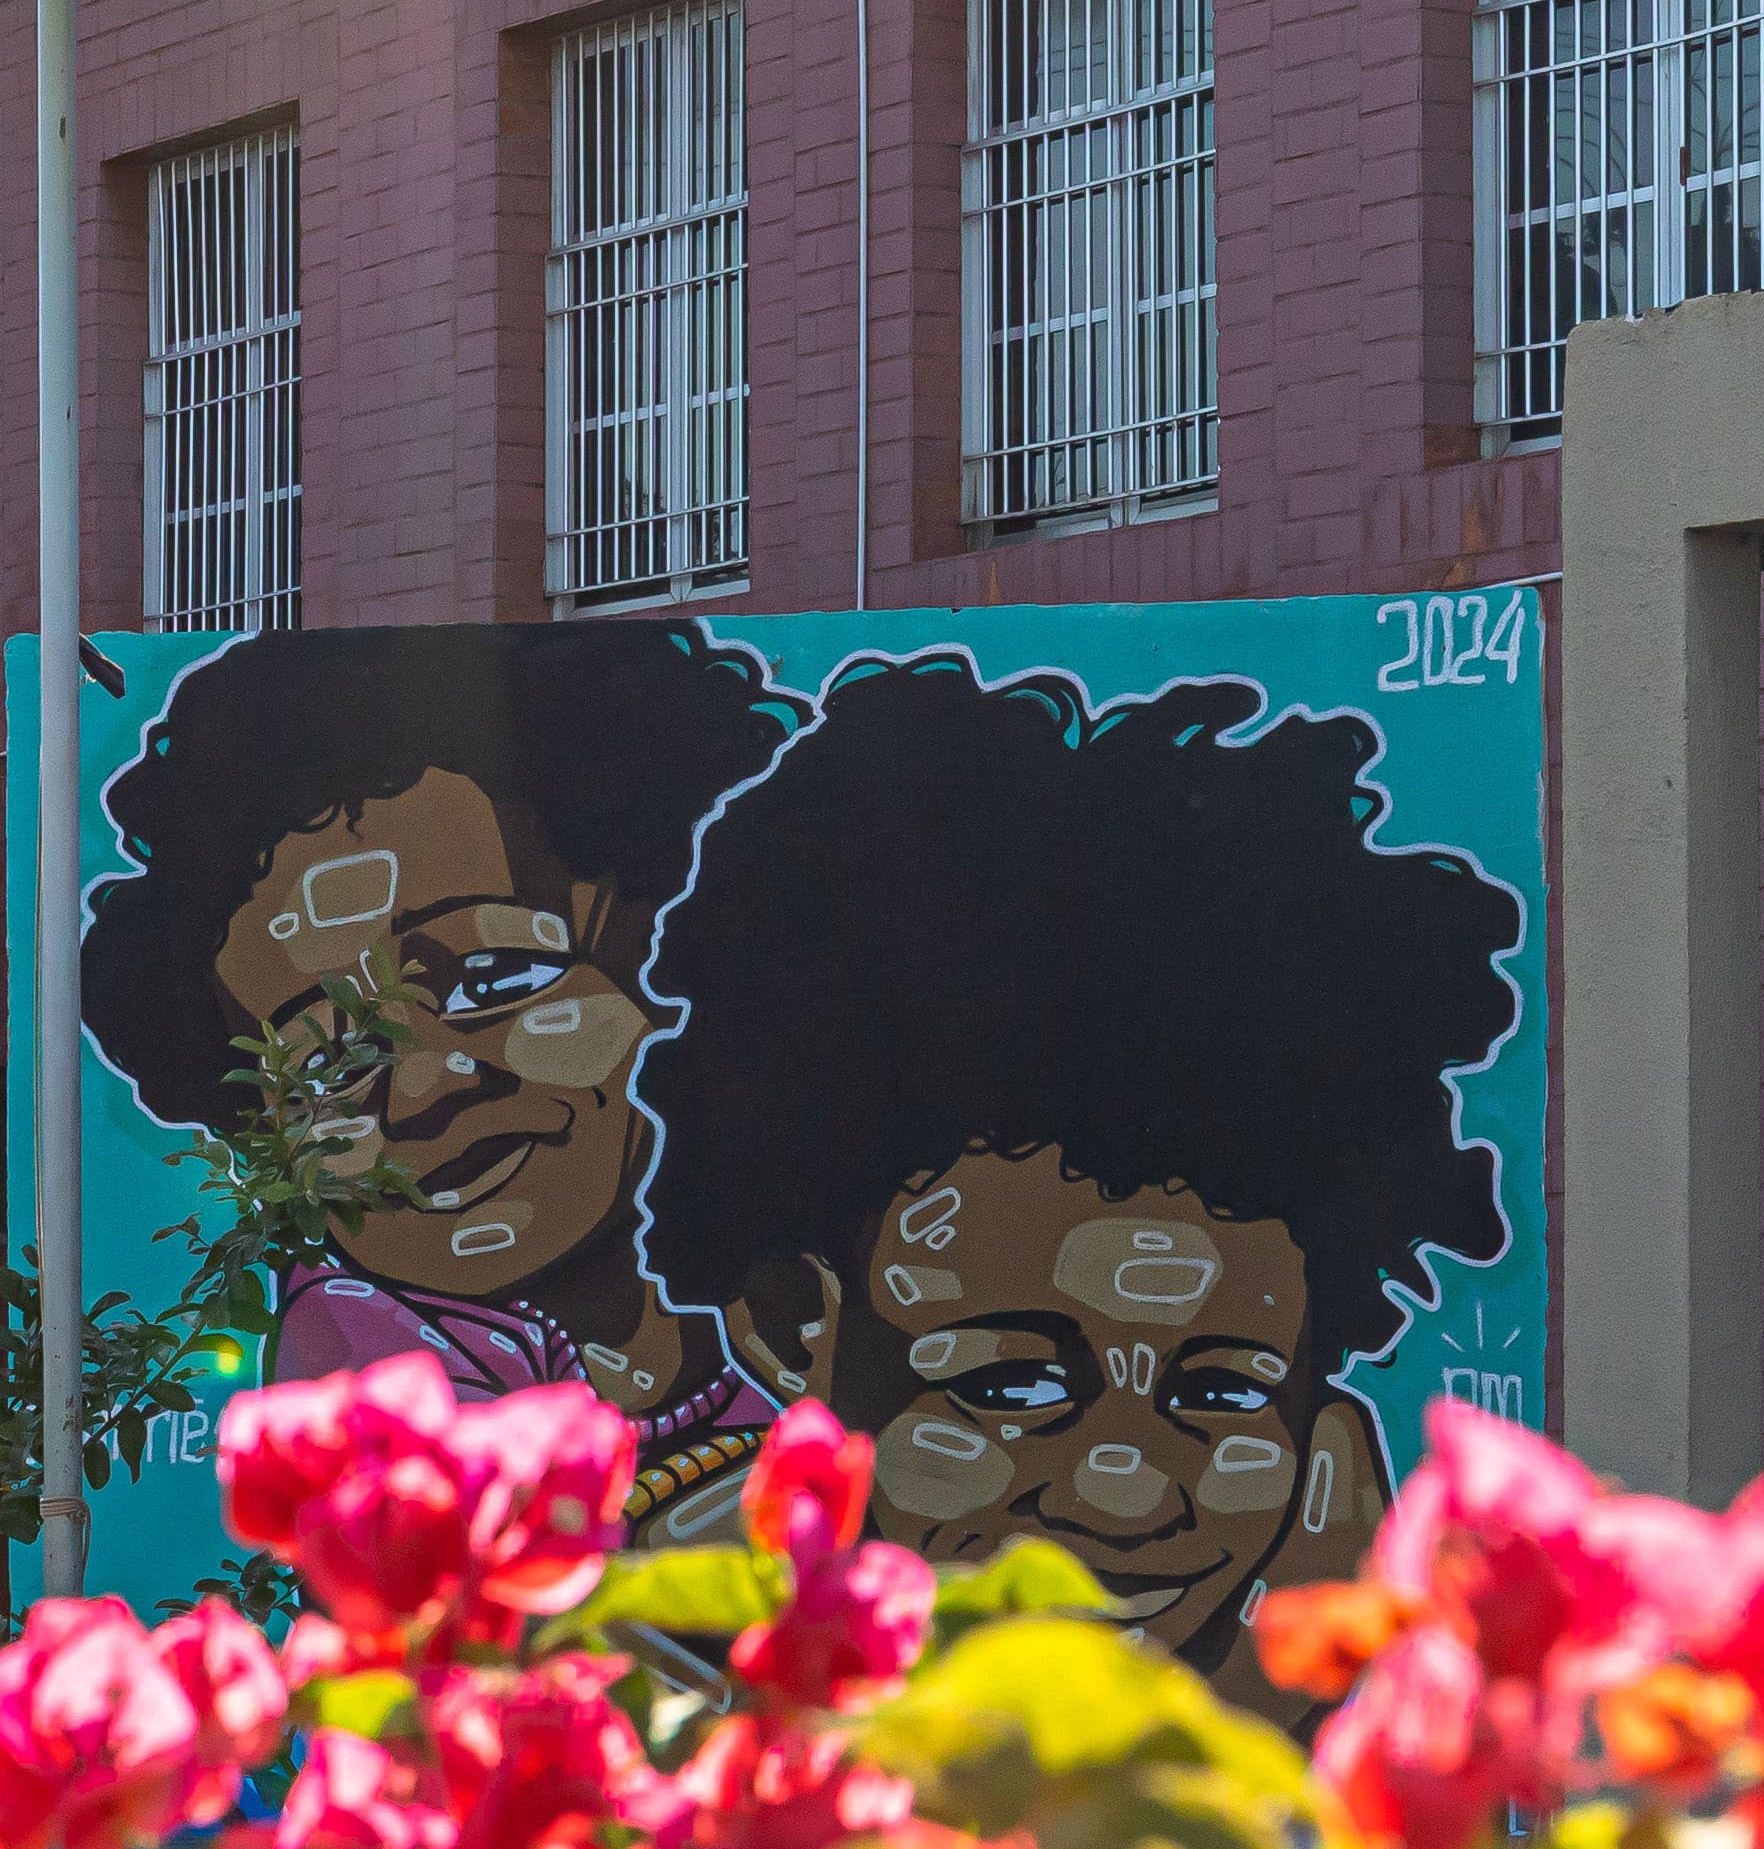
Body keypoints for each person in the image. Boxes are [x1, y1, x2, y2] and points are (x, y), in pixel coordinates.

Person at [629, 649, 1526, 1703]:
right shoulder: (628, 1703)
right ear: (790, 1327)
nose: (1127, 1492)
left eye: (1223, 1392)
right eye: (1008, 1386)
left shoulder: (1311, 1664)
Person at [79, 619, 797, 1474]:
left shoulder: (828, 1305)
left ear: (668, 959)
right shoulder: (366, 1365)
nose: (422, 1091)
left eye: (495, 980)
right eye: (330, 1065)